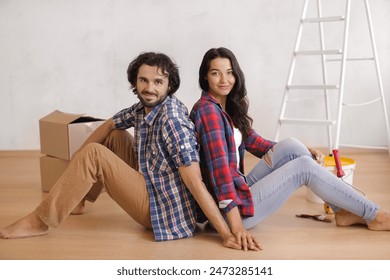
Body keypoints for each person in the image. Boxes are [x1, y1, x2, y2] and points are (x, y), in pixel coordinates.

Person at [0, 52, 244, 250]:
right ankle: (79, 199)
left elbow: (195, 183)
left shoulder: (173, 121)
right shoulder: (144, 106)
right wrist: (75, 161)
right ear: (135, 82)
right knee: (113, 136)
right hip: (153, 182)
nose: (150, 88)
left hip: (163, 211)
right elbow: (110, 124)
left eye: (158, 82)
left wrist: (225, 233)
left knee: (94, 154)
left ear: (170, 86)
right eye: (144, 80)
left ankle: (40, 221)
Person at [190, 47, 390, 251]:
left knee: (292, 146)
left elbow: (257, 143)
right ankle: (374, 215)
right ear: (205, 77)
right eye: (216, 73)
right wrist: (236, 228)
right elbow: (220, 175)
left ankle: (343, 211)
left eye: (230, 72)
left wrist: (302, 149)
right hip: (229, 212)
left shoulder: (225, 106)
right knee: (302, 167)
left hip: (239, 190)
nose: (224, 79)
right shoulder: (208, 112)